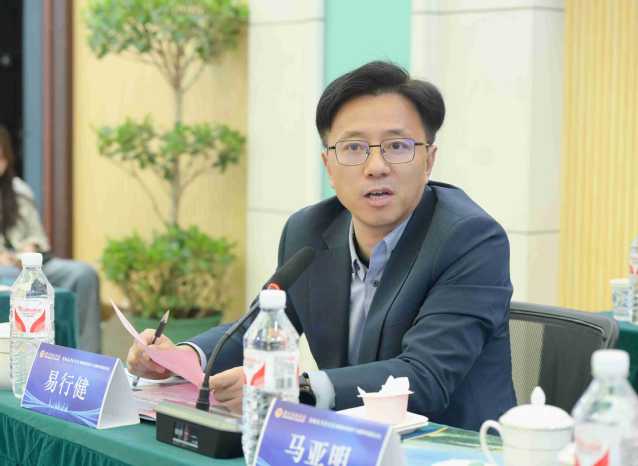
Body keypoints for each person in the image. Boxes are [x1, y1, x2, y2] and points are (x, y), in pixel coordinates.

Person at [127, 61, 516, 430]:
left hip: (454, 448)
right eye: (354, 148)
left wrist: (294, 388)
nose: (376, 167)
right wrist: (183, 357)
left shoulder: (470, 239)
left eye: (397, 146)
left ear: (429, 160)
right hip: (347, 441)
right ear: (329, 166)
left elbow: (425, 376)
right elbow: (258, 329)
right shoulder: (309, 231)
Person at [0, 125, 101, 353]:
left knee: (83, 274)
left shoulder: (19, 190)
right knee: (12, 277)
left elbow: (37, 237)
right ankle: (31, 354)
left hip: (31, 263)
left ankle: (88, 356)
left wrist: (30, 248)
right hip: (6, 270)